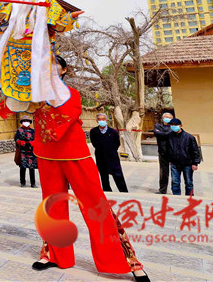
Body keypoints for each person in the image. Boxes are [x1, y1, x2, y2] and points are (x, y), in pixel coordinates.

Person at [31, 56, 149, 282]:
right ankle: (53, 254)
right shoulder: (34, 95)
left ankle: (127, 261)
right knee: (52, 206)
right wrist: (16, 94)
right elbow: (8, 109)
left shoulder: (72, 94)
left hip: (75, 153)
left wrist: (37, 104)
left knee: (96, 205)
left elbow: (63, 120)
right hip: (46, 155)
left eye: (54, 65)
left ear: (64, 70)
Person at [0, 0, 83, 113]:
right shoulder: (15, 4)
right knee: (16, 75)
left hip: (39, 47)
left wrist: (70, 17)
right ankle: (17, 100)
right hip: (15, 48)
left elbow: (58, 25)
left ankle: (39, 101)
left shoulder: (49, 3)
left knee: (39, 77)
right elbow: (3, 19)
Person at [89, 113, 128, 193]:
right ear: (97, 121)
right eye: (99, 119)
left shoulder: (113, 132)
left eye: (103, 119)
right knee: (104, 177)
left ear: (106, 120)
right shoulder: (93, 131)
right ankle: (107, 192)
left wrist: (110, 150)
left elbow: (117, 143)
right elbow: (94, 143)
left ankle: (124, 192)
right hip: (100, 157)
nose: (101, 121)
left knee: (118, 175)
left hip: (112, 157)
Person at [166, 118, 201, 196]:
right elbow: (168, 148)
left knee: (188, 182)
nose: (173, 126)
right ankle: (176, 197)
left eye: (175, 125)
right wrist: (169, 159)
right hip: (174, 163)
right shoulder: (169, 136)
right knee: (175, 182)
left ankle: (189, 197)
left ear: (181, 126)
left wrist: (195, 163)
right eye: (172, 125)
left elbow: (195, 151)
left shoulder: (189, 137)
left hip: (187, 163)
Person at [152, 112, 174, 194]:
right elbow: (157, 133)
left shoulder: (173, 126)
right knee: (163, 172)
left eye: (170, 117)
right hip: (162, 152)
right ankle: (162, 189)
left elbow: (168, 134)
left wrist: (161, 133)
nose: (168, 119)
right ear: (162, 118)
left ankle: (175, 190)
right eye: (166, 117)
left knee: (175, 172)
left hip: (173, 151)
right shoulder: (157, 125)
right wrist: (165, 134)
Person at [14, 116, 37, 188]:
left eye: (27, 121)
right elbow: (16, 139)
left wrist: (30, 143)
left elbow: (36, 139)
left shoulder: (33, 131)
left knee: (31, 167)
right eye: (24, 121)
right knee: (22, 167)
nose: (26, 122)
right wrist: (22, 143)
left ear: (30, 122)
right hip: (22, 151)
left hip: (31, 151)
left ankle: (33, 183)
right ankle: (22, 182)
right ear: (22, 122)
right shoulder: (19, 130)